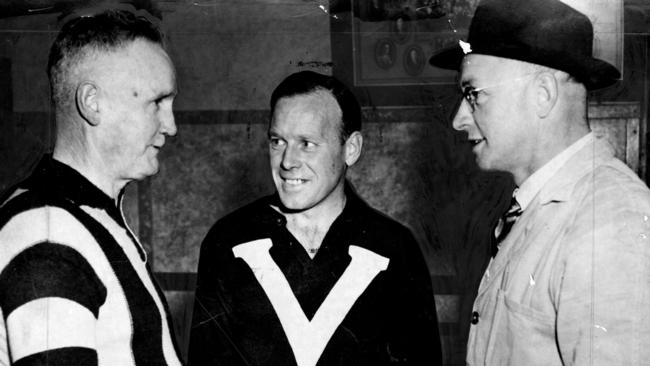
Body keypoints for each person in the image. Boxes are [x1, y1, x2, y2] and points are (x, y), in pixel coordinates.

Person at [430, 0, 650, 364]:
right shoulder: (540, 206)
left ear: (543, 94)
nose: (459, 119)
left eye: (474, 95)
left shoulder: (611, 221)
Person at [188, 71, 442, 366]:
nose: (287, 161)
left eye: (306, 143)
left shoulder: (394, 247)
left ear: (351, 148)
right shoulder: (228, 240)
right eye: (277, 141)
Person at [0, 9, 182, 365]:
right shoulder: (47, 234)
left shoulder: (88, 217)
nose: (171, 126)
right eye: (157, 102)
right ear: (92, 103)